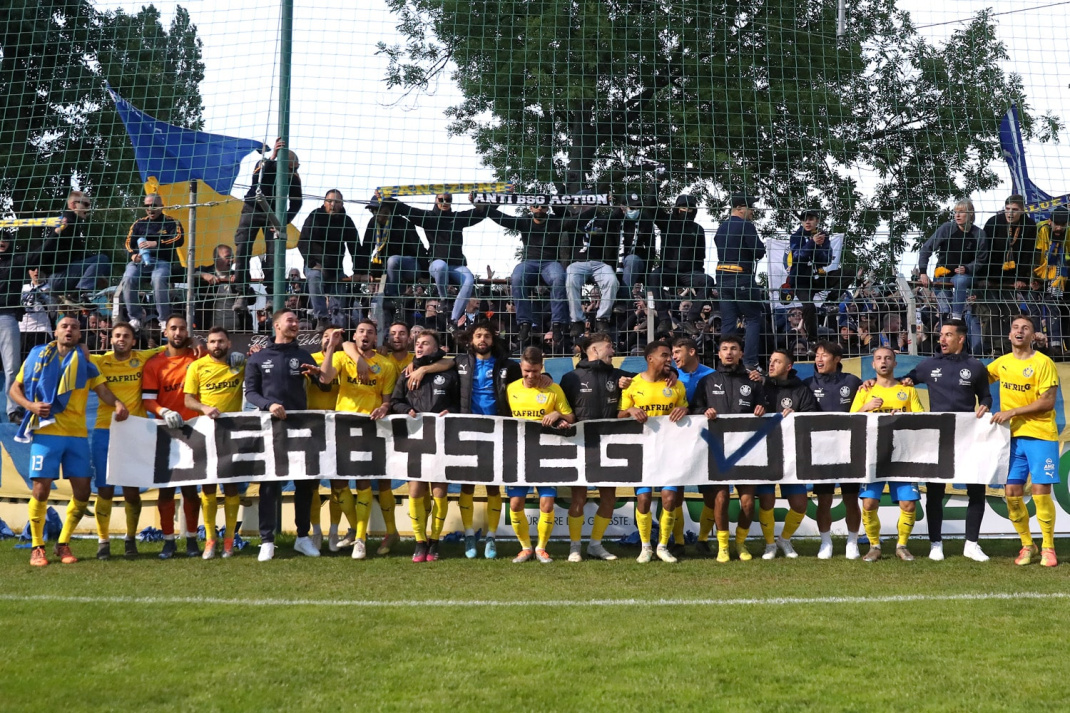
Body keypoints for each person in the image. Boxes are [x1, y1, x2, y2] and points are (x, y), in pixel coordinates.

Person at [10, 315, 129, 566]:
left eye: (74, 327)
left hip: (76, 435)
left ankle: (63, 543)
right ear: (55, 331)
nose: (69, 330)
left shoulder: (85, 363)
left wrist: (118, 403)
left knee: (84, 491)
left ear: (79, 335)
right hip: (47, 432)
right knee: (41, 490)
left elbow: (103, 390)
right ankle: (37, 546)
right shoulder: (37, 356)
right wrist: (30, 405)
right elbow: (14, 389)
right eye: (64, 326)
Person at [882, 319, 991, 561]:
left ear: (961, 339)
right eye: (941, 334)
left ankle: (971, 544)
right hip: (938, 437)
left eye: (948, 335)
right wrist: (874, 384)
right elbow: (902, 381)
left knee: (976, 487)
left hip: (968, 436)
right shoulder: (928, 365)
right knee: (935, 490)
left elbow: (985, 396)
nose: (941, 339)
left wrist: (984, 404)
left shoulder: (975, 366)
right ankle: (935, 544)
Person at [244, 308, 330, 561]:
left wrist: (318, 372)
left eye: (297, 321)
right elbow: (250, 392)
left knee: (305, 482)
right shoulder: (258, 358)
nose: (296, 324)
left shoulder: (304, 356)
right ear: (277, 325)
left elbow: (324, 385)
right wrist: (268, 405)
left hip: (301, 426)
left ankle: (302, 537)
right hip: (271, 427)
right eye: (290, 321)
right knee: (269, 483)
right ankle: (267, 541)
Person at [320, 320, 397, 559]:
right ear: (354, 336)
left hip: (369, 428)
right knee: (340, 483)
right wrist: (332, 347)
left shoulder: (386, 365)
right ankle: (354, 528)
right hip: (343, 426)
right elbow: (324, 378)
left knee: (363, 482)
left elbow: (387, 399)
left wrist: (384, 407)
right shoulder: (343, 358)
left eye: (370, 332)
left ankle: (361, 540)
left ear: (376, 338)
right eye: (361, 331)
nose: (365, 335)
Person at [987, 315, 1059, 567]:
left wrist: (1012, 412)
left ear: (1032, 336)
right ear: (1009, 335)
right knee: (1012, 493)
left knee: (1040, 493)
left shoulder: (1043, 363)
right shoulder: (1001, 363)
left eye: (1025, 328)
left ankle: (1049, 547)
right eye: (1015, 328)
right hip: (1013, 438)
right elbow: (977, 381)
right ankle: (1027, 545)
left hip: (1041, 435)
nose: (1019, 331)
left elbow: (1047, 402)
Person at [88, 323, 164, 560]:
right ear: (111, 339)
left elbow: (171, 347)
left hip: (135, 429)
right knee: (105, 489)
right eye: (117, 335)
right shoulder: (100, 361)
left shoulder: (143, 357)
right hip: (105, 429)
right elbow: (79, 353)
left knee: (132, 490)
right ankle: (103, 542)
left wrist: (196, 345)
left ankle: (130, 539)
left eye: (126, 336)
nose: (121, 339)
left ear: (134, 341)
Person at [691, 336, 766, 562]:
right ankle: (723, 546)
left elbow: (766, 407)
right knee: (721, 498)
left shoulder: (753, 381)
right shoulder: (707, 381)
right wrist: (704, 411)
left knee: (748, 502)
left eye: (734, 349)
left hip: (747, 449)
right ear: (719, 354)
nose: (729, 352)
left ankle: (740, 543)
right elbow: (695, 408)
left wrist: (763, 407)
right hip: (718, 448)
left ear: (741, 354)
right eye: (724, 349)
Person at [559, 332, 631, 561]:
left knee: (609, 497)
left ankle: (595, 545)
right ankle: (574, 546)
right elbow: (565, 411)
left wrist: (667, 373)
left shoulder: (619, 375)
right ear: (595, 350)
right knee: (578, 497)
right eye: (609, 347)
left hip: (609, 446)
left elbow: (653, 377)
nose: (613, 351)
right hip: (581, 446)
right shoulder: (571, 378)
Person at [390, 329, 460, 562]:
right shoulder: (406, 372)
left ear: (437, 347)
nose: (420, 347)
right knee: (416, 490)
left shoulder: (450, 372)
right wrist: (406, 410)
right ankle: (420, 542)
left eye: (426, 343)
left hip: (442, 437)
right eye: (418, 343)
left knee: (439, 491)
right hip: (416, 438)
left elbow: (460, 402)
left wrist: (452, 411)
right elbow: (395, 401)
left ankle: (435, 541)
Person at [452, 320, 518, 558]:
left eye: (487, 336)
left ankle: (491, 537)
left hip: (497, 429)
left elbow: (526, 384)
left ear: (493, 340)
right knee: (467, 484)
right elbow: (439, 364)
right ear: (471, 339)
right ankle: (469, 534)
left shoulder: (508, 366)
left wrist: (547, 379)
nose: (482, 340)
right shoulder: (459, 363)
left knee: (493, 483)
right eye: (478, 335)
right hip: (468, 429)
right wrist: (422, 369)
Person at [619, 340, 689, 563]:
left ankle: (662, 546)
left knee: (669, 498)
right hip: (641, 451)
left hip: (669, 450)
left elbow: (686, 407)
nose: (669, 359)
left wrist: (683, 409)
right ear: (650, 358)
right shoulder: (632, 384)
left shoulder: (676, 385)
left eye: (670, 355)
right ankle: (645, 546)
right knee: (644, 498)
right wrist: (630, 410)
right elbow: (617, 415)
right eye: (664, 355)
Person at [142, 316, 206, 559]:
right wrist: (163, 411)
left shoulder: (197, 356)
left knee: (190, 489)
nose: (178, 332)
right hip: (165, 430)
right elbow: (148, 398)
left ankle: (191, 539)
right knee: (166, 490)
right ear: (165, 332)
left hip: (194, 428)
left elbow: (219, 357)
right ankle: (168, 541)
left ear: (187, 331)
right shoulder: (154, 364)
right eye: (173, 328)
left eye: (182, 328)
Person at [850, 346, 923, 562]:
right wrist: (866, 407)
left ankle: (902, 545)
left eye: (888, 358)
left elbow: (922, 419)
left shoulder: (907, 390)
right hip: (873, 455)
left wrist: (903, 415)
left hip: (902, 455)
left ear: (895, 364)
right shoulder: (865, 391)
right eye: (879, 358)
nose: (883, 362)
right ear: (872, 364)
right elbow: (850, 420)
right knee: (869, 503)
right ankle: (874, 546)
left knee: (908, 504)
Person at [506, 346, 575, 563]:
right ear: (521, 367)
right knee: (516, 503)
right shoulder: (510, 389)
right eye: (527, 371)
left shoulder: (553, 389)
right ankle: (525, 548)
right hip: (519, 454)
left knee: (547, 502)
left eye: (535, 371)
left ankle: (541, 548)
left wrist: (557, 414)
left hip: (547, 454)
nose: (531, 376)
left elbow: (571, 417)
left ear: (541, 368)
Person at [184, 327, 246, 560]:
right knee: (207, 486)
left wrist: (247, 358)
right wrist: (204, 408)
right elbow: (188, 399)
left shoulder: (240, 365)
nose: (216, 345)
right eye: (212, 341)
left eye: (220, 341)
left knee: (230, 486)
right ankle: (211, 539)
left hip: (232, 431)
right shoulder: (197, 366)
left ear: (229, 343)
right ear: (207, 344)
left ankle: (229, 539)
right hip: (207, 431)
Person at [386, 192, 489, 328]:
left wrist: (482, 201)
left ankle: (452, 320)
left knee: (469, 280)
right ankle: (444, 299)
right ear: (436, 200)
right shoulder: (429, 217)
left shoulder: (457, 218)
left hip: (456, 265)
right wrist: (386, 197)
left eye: (448, 200)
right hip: (436, 264)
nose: (444, 202)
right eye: (441, 199)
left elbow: (481, 213)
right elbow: (406, 210)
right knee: (441, 266)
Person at [485, 202, 576, 348]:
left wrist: (598, 205)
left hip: (550, 262)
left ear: (548, 208)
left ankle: (558, 323)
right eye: (536, 205)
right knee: (517, 277)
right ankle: (524, 323)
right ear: (530, 208)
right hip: (529, 262)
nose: (540, 208)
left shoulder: (556, 221)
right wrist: (488, 205)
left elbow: (577, 220)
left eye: (544, 206)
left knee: (559, 277)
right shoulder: (525, 221)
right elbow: (502, 218)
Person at [756, 349, 819, 559]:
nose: (771, 365)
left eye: (777, 361)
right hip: (765, 453)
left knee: (800, 504)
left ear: (788, 367)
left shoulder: (801, 389)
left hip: (792, 455)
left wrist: (797, 416)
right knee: (766, 501)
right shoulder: (761, 386)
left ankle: (784, 539)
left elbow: (814, 417)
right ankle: (769, 544)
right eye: (770, 361)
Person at [804, 340, 863, 559]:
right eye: (817, 355)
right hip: (822, 451)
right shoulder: (807, 383)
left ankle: (852, 542)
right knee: (825, 499)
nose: (819, 359)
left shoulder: (853, 382)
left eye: (824, 355)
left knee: (851, 498)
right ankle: (826, 542)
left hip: (849, 449)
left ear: (837, 359)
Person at [232, 139, 303, 312]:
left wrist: (283, 222)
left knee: (274, 254)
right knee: (242, 249)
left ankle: (272, 294)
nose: (293, 172)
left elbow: (296, 203)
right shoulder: (265, 164)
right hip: (252, 208)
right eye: (290, 168)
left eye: (296, 168)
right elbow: (257, 177)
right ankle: (241, 293)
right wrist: (272, 157)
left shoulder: (293, 179)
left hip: (274, 215)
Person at [917, 198, 987, 350]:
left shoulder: (979, 234)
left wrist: (967, 268)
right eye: (955, 212)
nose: (957, 215)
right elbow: (926, 249)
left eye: (961, 212)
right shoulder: (947, 228)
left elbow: (981, 260)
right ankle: (941, 346)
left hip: (965, 275)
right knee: (944, 311)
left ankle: (957, 317)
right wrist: (923, 272)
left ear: (971, 214)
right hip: (943, 273)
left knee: (961, 281)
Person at [712, 193, 766, 370]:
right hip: (741, 275)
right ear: (741, 208)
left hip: (721, 277)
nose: (753, 211)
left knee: (729, 321)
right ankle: (750, 362)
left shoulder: (721, 227)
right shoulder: (746, 226)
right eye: (751, 208)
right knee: (753, 318)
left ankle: (726, 363)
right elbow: (758, 251)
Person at [649, 194, 716, 333]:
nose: (686, 211)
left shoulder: (698, 229)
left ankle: (691, 319)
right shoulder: (667, 222)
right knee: (654, 276)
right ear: (677, 208)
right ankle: (664, 319)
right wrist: (656, 182)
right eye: (683, 207)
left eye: (690, 208)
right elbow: (651, 205)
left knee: (708, 281)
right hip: (668, 271)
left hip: (689, 273)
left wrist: (699, 286)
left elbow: (700, 257)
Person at [0, 236, 50, 423]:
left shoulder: (16, 261)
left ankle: (14, 410)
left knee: (12, 367)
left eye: (5, 238)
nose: (1, 241)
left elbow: (41, 252)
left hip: (7, 317)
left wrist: (57, 231)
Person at [298, 189, 362, 330]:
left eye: (337, 202)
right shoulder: (315, 216)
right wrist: (312, 263)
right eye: (330, 201)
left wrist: (358, 270)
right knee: (314, 277)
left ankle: (339, 328)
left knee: (339, 295)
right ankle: (322, 318)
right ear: (324, 202)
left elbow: (355, 247)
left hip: (335, 268)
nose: (333, 204)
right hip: (315, 264)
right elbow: (303, 241)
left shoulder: (346, 221)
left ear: (342, 204)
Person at [362, 195, 428, 329]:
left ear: (388, 210)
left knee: (393, 260)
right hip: (391, 272)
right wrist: (362, 272)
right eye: (373, 211)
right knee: (379, 299)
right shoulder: (373, 223)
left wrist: (426, 275)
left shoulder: (402, 223)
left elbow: (418, 247)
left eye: (377, 210)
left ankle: (394, 300)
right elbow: (366, 249)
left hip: (411, 265)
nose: (375, 214)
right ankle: (387, 325)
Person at [122, 193, 182, 332]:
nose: (150, 209)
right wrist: (133, 255)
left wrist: (156, 243)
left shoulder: (171, 222)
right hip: (139, 261)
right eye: (147, 206)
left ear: (162, 206)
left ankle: (163, 319)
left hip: (161, 262)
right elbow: (128, 243)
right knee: (128, 277)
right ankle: (135, 318)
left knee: (158, 279)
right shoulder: (138, 223)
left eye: (154, 205)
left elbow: (179, 238)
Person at [307, 328, 344, 549]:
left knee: (338, 484)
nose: (329, 340)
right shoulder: (309, 359)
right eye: (326, 336)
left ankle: (334, 531)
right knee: (312, 484)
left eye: (335, 336)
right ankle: (316, 531)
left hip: (338, 427)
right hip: (312, 427)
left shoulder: (345, 359)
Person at [41, 190, 109, 297]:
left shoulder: (66, 221)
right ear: (73, 205)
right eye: (86, 204)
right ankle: (81, 293)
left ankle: (76, 297)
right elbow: (81, 252)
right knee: (103, 260)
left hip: (55, 278)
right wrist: (100, 273)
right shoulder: (68, 222)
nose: (88, 208)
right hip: (60, 277)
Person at [566, 206, 621, 338]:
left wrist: (614, 204)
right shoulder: (572, 220)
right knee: (571, 281)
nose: (586, 207)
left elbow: (615, 216)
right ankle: (577, 320)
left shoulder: (601, 220)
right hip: (577, 263)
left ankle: (602, 318)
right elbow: (557, 206)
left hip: (599, 263)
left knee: (612, 281)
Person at [981, 194, 1037, 288]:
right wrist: (982, 277)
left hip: (1014, 276)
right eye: (1007, 209)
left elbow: (1027, 254)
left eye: (1014, 210)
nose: (1010, 213)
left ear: (1022, 210)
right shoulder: (993, 222)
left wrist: (1021, 278)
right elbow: (984, 251)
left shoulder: (1029, 225)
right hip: (990, 273)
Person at [196, 245, 243, 331]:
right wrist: (202, 275)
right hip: (210, 331)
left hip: (238, 330)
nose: (232, 260)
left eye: (232, 257)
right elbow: (182, 271)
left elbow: (252, 300)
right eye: (227, 257)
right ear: (216, 258)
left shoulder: (238, 275)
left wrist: (240, 285)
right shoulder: (206, 272)